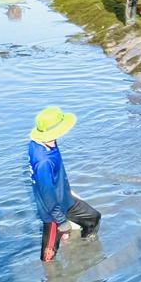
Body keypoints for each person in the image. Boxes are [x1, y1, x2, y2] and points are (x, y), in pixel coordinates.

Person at [28, 106, 101, 262]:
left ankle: (85, 250)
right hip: (53, 212)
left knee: (93, 217)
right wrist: (61, 221)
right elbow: (47, 194)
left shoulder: (42, 142)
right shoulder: (43, 161)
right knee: (49, 257)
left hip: (64, 198)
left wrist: (66, 189)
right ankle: (52, 280)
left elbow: (54, 177)